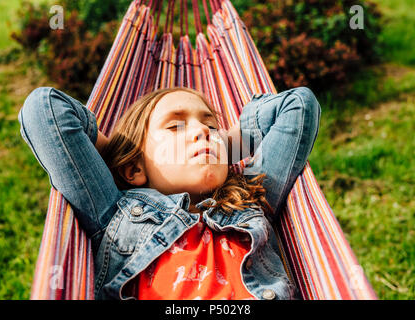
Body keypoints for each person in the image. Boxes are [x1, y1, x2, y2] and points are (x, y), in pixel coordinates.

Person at [18, 85, 320, 300]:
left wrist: (218, 148)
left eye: (211, 125)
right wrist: (122, 156)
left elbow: (298, 105)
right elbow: (45, 108)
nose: (202, 131)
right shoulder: (113, 212)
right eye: (175, 126)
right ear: (134, 170)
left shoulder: (254, 196)